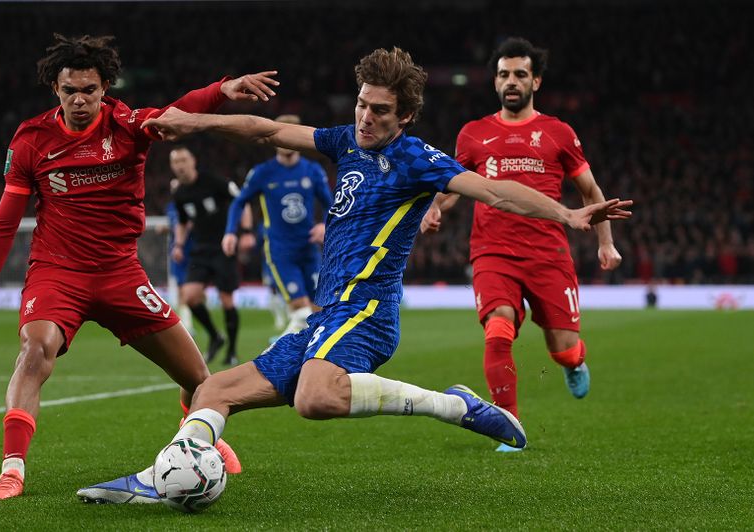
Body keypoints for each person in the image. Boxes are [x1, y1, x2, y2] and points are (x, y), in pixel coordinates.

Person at [79, 47, 631, 503]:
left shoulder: (416, 159)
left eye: (380, 111)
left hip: (367, 312)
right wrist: (195, 122)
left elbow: (492, 190)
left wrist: (567, 214)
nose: (366, 117)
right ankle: (161, 480)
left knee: (313, 398)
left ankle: (452, 405)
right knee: (213, 390)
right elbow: (266, 131)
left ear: (404, 117)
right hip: (328, 315)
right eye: (363, 104)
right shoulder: (346, 141)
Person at [0, 33, 280, 500]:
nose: (79, 100)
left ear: (105, 88)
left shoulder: (127, 125)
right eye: (69, 90)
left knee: (200, 381)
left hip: (121, 273)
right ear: (55, 89)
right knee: (34, 349)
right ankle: (12, 470)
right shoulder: (31, 140)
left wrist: (222, 89)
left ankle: (201, 439)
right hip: (57, 272)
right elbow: (3, 226)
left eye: (89, 90)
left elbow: (178, 111)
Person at [421, 37, 623, 451]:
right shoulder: (473, 134)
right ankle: (509, 429)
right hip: (492, 251)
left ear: (536, 81)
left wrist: (606, 244)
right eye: (503, 75)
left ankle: (574, 362)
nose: (511, 81)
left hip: (549, 254)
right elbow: (454, 184)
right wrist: (435, 207)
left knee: (563, 350)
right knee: (498, 328)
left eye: (519, 74)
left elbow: (590, 191)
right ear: (495, 82)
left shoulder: (558, 133)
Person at [223, 114, 333, 340]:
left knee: (319, 313)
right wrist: (231, 232)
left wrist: (325, 225)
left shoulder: (312, 171)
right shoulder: (263, 173)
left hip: (309, 249)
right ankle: (276, 351)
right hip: (280, 250)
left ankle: (299, 352)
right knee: (300, 311)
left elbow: (330, 204)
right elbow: (239, 202)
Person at [170, 145, 254, 366]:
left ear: (193, 161)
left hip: (223, 245)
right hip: (201, 248)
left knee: (226, 299)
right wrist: (178, 245)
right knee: (190, 296)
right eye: (175, 162)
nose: (180, 166)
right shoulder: (179, 193)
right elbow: (182, 222)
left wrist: (246, 231)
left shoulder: (212, 181)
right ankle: (216, 336)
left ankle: (232, 351)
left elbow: (241, 201)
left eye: (183, 160)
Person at [165, 178, 195, 334]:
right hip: (176, 253)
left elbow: (188, 224)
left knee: (187, 288)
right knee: (179, 287)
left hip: (190, 251)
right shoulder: (170, 207)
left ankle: (186, 324)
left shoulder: (189, 204)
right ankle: (185, 322)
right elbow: (174, 225)